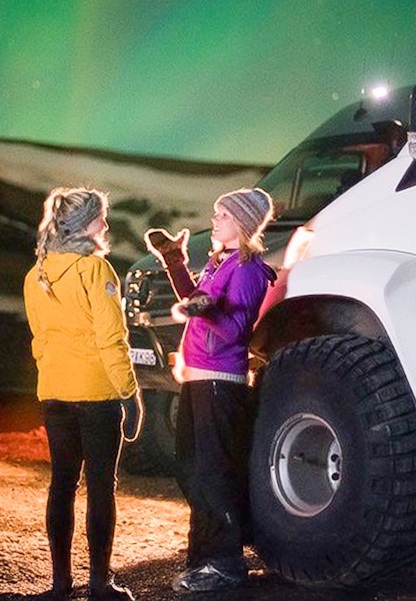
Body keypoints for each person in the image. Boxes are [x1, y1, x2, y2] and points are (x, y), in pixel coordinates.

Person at [145, 188, 276, 593]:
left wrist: (205, 308)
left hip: (222, 381)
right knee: (191, 467)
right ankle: (203, 559)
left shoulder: (249, 269)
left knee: (213, 472)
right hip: (200, 378)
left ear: (242, 223)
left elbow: (236, 329)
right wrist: (173, 260)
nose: (214, 219)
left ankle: (225, 564)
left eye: (222, 214)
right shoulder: (220, 264)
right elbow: (194, 300)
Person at [23, 187, 142, 601]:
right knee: (100, 486)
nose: (105, 226)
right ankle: (99, 583)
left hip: (53, 391)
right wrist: (129, 392)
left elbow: (39, 340)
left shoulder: (34, 275)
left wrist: (52, 375)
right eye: (100, 218)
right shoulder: (96, 271)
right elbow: (113, 338)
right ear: (83, 225)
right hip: (97, 392)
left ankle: (59, 584)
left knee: (61, 482)